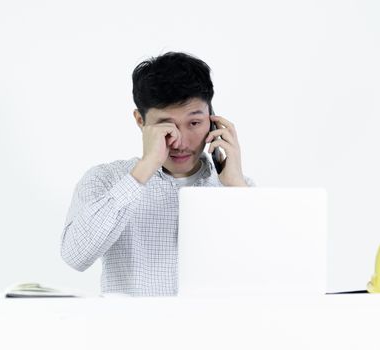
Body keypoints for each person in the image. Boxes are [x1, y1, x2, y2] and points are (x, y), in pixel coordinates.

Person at [60, 52, 254, 296]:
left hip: (213, 329)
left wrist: (235, 186)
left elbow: (270, 271)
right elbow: (75, 257)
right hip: (130, 329)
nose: (180, 141)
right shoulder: (105, 179)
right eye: (166, 126)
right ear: (140, 121)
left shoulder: (239, 188)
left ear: (213, 122)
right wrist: (145, 167)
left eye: (194, 123)